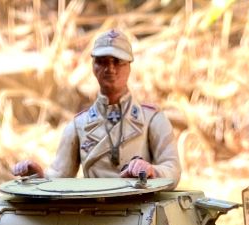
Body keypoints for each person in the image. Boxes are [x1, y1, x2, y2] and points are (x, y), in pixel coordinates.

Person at [12, 29, 180, 181]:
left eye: (117, 61)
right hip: (94, 204)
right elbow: (59, 177)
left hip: (140, 203)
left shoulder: (152, 119)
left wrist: (152, 170)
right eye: (102, 62)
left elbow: (172, 169)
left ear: (128, 66)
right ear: (93, 67)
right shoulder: (78, 126)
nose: (110, 69)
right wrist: (38, 176)